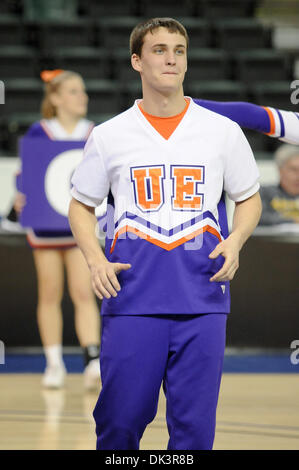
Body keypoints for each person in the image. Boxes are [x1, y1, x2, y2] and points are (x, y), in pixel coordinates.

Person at [69, 17, 262, 450]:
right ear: (137, 61)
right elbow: (80, 205)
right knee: (120, 423)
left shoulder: (222, 132)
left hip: (204, 296)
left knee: (194, 433)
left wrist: (236, 240)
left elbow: (249, 198)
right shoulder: (109, 135)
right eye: (159, 50)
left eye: (179, 50)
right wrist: (95, 260)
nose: (171, 58)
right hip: (133, 297)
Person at [15, 69, 101, 391]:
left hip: (81, 229)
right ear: (54, 98)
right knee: (49, 293)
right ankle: (53, 363)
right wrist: (21, 199)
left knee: (84, 292)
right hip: (45, 228)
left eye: (83, 90)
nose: (83, 97)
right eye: (74, 91)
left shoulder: (94, 132)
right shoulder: (40, 131)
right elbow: (29, 177)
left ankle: (92, 360)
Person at [258, 143, 299, 226]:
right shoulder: (265, 193)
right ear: (280, 170)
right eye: (293, 170)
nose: (298, 176)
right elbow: (257, 219)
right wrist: (293, 221)